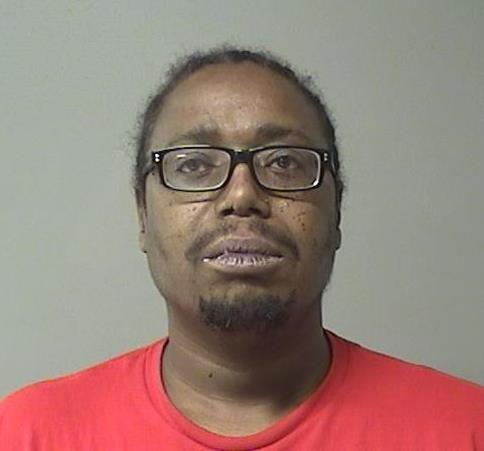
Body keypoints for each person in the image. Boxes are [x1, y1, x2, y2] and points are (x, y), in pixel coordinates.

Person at [0, 46, 482, 450]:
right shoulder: (27, 434)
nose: (242, 195)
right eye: (193, 165)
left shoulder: (465, 430)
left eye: (285, 162)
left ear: (336, 211)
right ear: (143, 216)